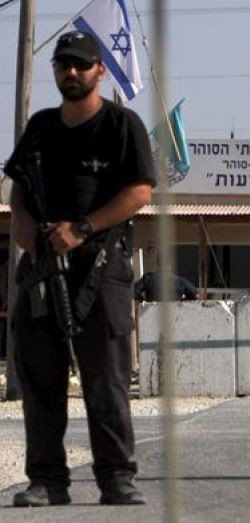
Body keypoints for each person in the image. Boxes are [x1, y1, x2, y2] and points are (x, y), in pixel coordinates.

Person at [3, 31, 156, 506]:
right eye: (63, 64)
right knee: (41, 379)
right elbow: (19, 193)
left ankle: (117, 478)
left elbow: (140, 191)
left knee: (106, 377)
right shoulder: (41, 128)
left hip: (101, 266)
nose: (71, 72)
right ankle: (47, 480)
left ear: (99, 70)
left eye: (81, 64)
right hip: (43, 268)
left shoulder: (121, 125)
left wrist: (82, 228)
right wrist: (26, 230)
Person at [134, 271, 199, 301]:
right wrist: (182, 301)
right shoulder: (180, 281)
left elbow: (133, 291)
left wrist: (143, 300)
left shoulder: (148, 279)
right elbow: (196, 295)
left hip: (150, 318)